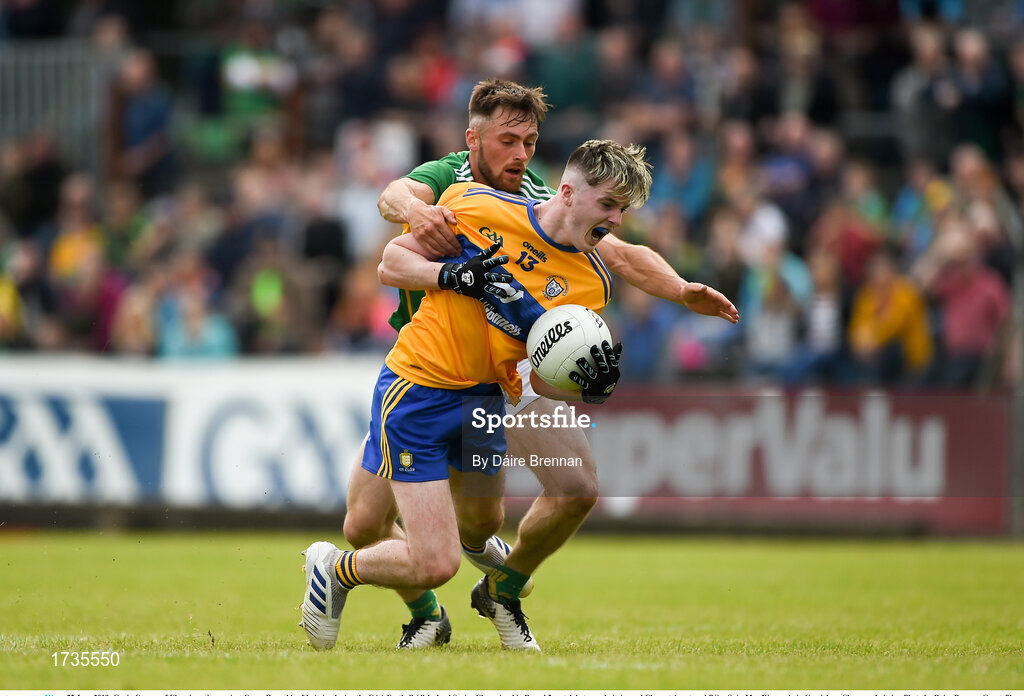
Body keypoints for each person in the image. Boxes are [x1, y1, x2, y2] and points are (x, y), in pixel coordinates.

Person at [344, 79, 739, 651]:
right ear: (473, 139)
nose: (522, 154)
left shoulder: (543, 196)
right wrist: (417, 212)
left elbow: (620, 252)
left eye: (530, 140)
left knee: (547, 498)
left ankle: (503, 587)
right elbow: (392, 198)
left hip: (508, 376)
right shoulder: (449, 181)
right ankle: (427, 613)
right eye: (509, 140)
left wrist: (680, 290)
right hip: (429, 366)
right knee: (363, 526)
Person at [300, 139, 653, 652]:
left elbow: (539, 380)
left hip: (487, 399)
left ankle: (483, 593)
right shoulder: (476, 205)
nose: (617, 220)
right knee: (424, 555)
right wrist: (452, 276)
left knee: (484, 524)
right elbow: (390, 264)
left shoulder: (592, 283)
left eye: (623, 210)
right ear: (570, 192)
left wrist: (586, 388)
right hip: (421, 388)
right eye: (609, 204)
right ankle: (333, 569)